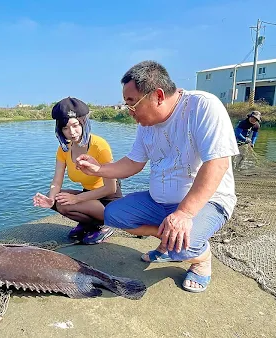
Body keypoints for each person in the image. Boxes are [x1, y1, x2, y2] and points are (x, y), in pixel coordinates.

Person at [75, 60, 240, 293]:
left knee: (183, 246)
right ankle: (169, 241)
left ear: (158, 96)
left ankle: (201, 258)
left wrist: (183, 213)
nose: (129, 112)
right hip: (159, 201)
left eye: (132, 104)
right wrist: (98, 169)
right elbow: (133, 162)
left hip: (206, 202)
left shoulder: (202, 106)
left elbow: (218, 163)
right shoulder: (146, 124)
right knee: (113, 214)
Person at [32, 97, 122, 245]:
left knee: (66, 203)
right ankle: (89, 223)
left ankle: (105, 225)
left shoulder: (99, 146)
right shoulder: (64, 149)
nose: (71, 132)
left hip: (108, 201)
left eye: (75, 125)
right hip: (89, 197)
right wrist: (50, 199)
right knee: (55, 198)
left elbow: (110, 188)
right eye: (65, 128)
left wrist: (77, 199)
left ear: (83, 123)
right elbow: (57, 181)